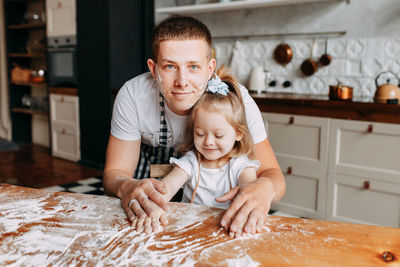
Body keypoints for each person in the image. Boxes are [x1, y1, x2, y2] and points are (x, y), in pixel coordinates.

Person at [103, 15, 286, 237]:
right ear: (154, 69)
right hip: (154, 192)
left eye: (193, 67)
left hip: (212, 205)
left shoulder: (236, 100)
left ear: (210, 68)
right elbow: (114, 173)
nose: (182, 81)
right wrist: (126, 187)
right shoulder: (133, 96)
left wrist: (265, 187)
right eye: (170, 66)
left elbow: (272, 174)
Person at [132, 70, 261, 238]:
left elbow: (249, 191)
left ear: (238, 134)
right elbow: (167, 188)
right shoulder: (192, 161)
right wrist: (153, 208)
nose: (208, 142)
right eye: (200, 134)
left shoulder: (241, 165)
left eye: (219, 135)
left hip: (226, 230)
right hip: (189, 230)